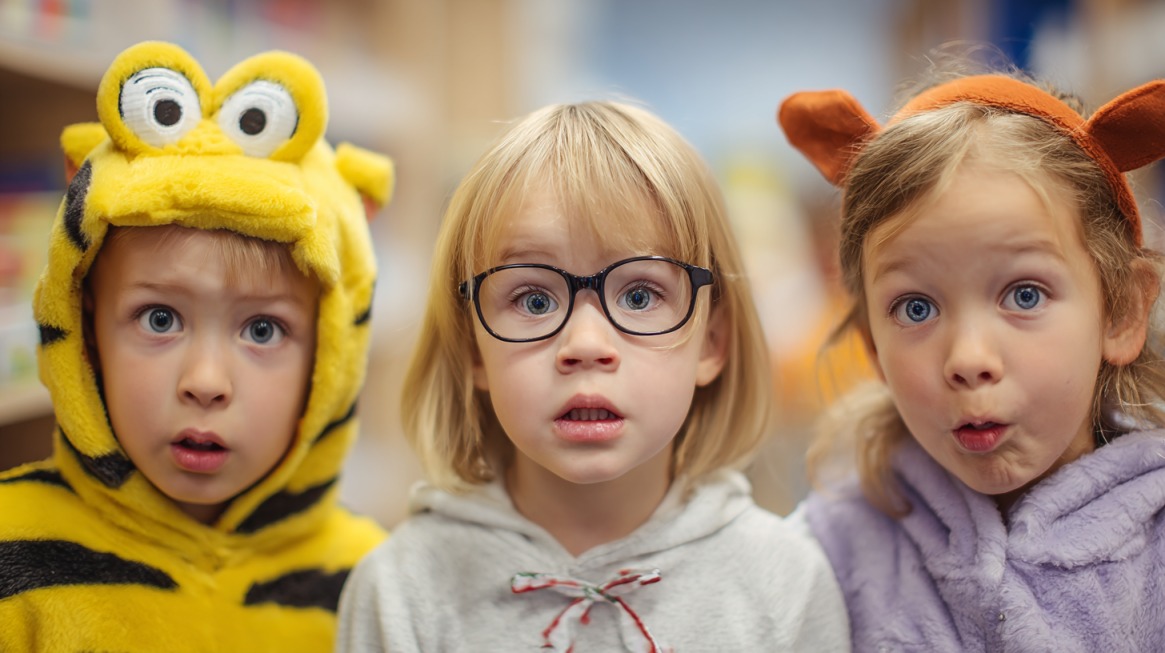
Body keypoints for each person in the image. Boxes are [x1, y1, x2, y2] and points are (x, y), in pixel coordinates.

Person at [337, 101, 849, 652]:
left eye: (639, 295)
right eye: (534, 299)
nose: (585, 345)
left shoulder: (785, 584)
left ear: (712, 340)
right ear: (472, 347)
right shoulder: (399, 590)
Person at [0, 41, 393, 652]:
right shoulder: (14, 556)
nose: (206, 382)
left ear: (329, 358)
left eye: (262, 330)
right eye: (160, 319)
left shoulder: (372, 585)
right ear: (85, 334)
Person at [778, 61, 1165, 651]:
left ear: (1121, 311)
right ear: (871, 344)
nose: (968, 359)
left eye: (1024, 295)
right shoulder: (828, 553)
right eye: (915, 308)